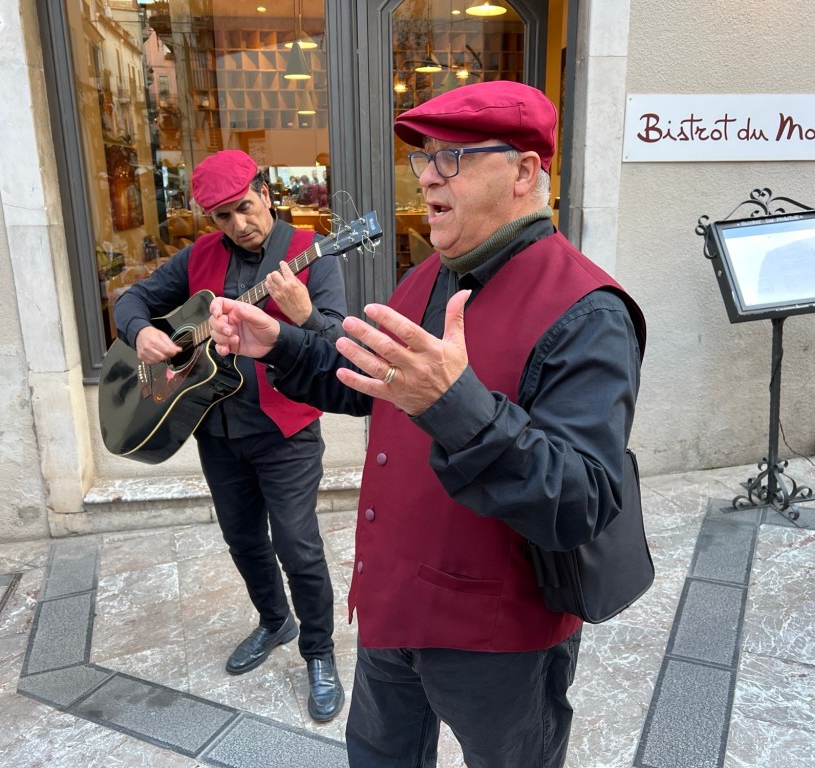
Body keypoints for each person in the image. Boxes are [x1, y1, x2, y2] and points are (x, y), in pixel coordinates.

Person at [207, 81, 646, 766]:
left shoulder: (589, 311)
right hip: (392, 608)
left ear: (524, 172)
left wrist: (455, 403)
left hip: (498, 638)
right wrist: (280, 344)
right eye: (424, 159)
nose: (428, 177)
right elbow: (370, 381)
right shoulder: (430, 277)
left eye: (453, 158)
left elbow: (581, 501)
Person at [112, 149, 347, 723]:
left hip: (285, 430)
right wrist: (140, 332)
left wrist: (304, 315)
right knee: (242, 539)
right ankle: (275, 620)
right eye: (223, 216)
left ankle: (319, 652)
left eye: (245, 207)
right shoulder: (198, 257)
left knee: (297, 545)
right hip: (216, 430)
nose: (239, 224)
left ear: (265, 193)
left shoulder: (310, 253)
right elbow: (132, 298)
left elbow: (337, 344)